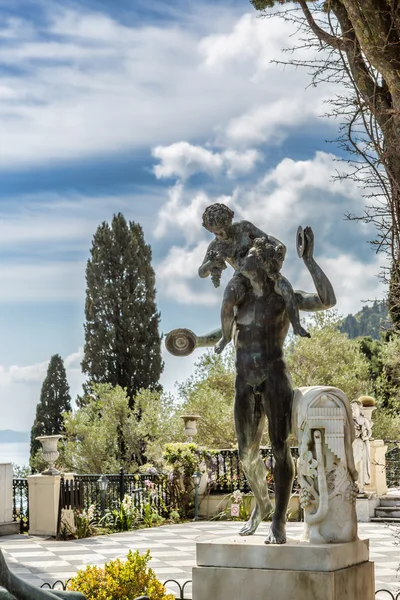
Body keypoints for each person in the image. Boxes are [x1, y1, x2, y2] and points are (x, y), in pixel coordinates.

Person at [204, 225, 335, 544]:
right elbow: (222, 332)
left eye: (249, 259)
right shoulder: (240, 295)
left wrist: (309, 261)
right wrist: (194, 341)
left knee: (279, 449)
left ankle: (278, 521)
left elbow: (327, 300)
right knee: (245, 452)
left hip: (275, 377)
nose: (243, 263)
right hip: (244, 380)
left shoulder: (284, 296)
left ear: (263, 265)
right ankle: (261, 503)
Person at [198, 204, 309, 355]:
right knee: (227, 300)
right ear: (210, 230)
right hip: (241, 277)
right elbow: (201, 272)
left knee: (285, 289)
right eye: (217, 232)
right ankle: (225, 337)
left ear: (230, 221)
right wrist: (211, 263)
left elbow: (266, 238)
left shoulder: (244, 227)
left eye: (225, 227)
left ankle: (296, 325)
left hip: (263, 269)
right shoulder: (216, 246)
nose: (222, 233)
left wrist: (278, 248)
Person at [351, 400, 372, 494]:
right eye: (351, 407)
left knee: (361, 465)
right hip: (352, 444)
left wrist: (366, 436)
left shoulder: (364, 420)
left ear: (359, 408)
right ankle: (353, 485)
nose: (353, 409)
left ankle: (361, 487)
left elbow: (369, 431)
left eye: (354, 407)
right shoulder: (350, 419)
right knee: (353, 465)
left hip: (360, 445)